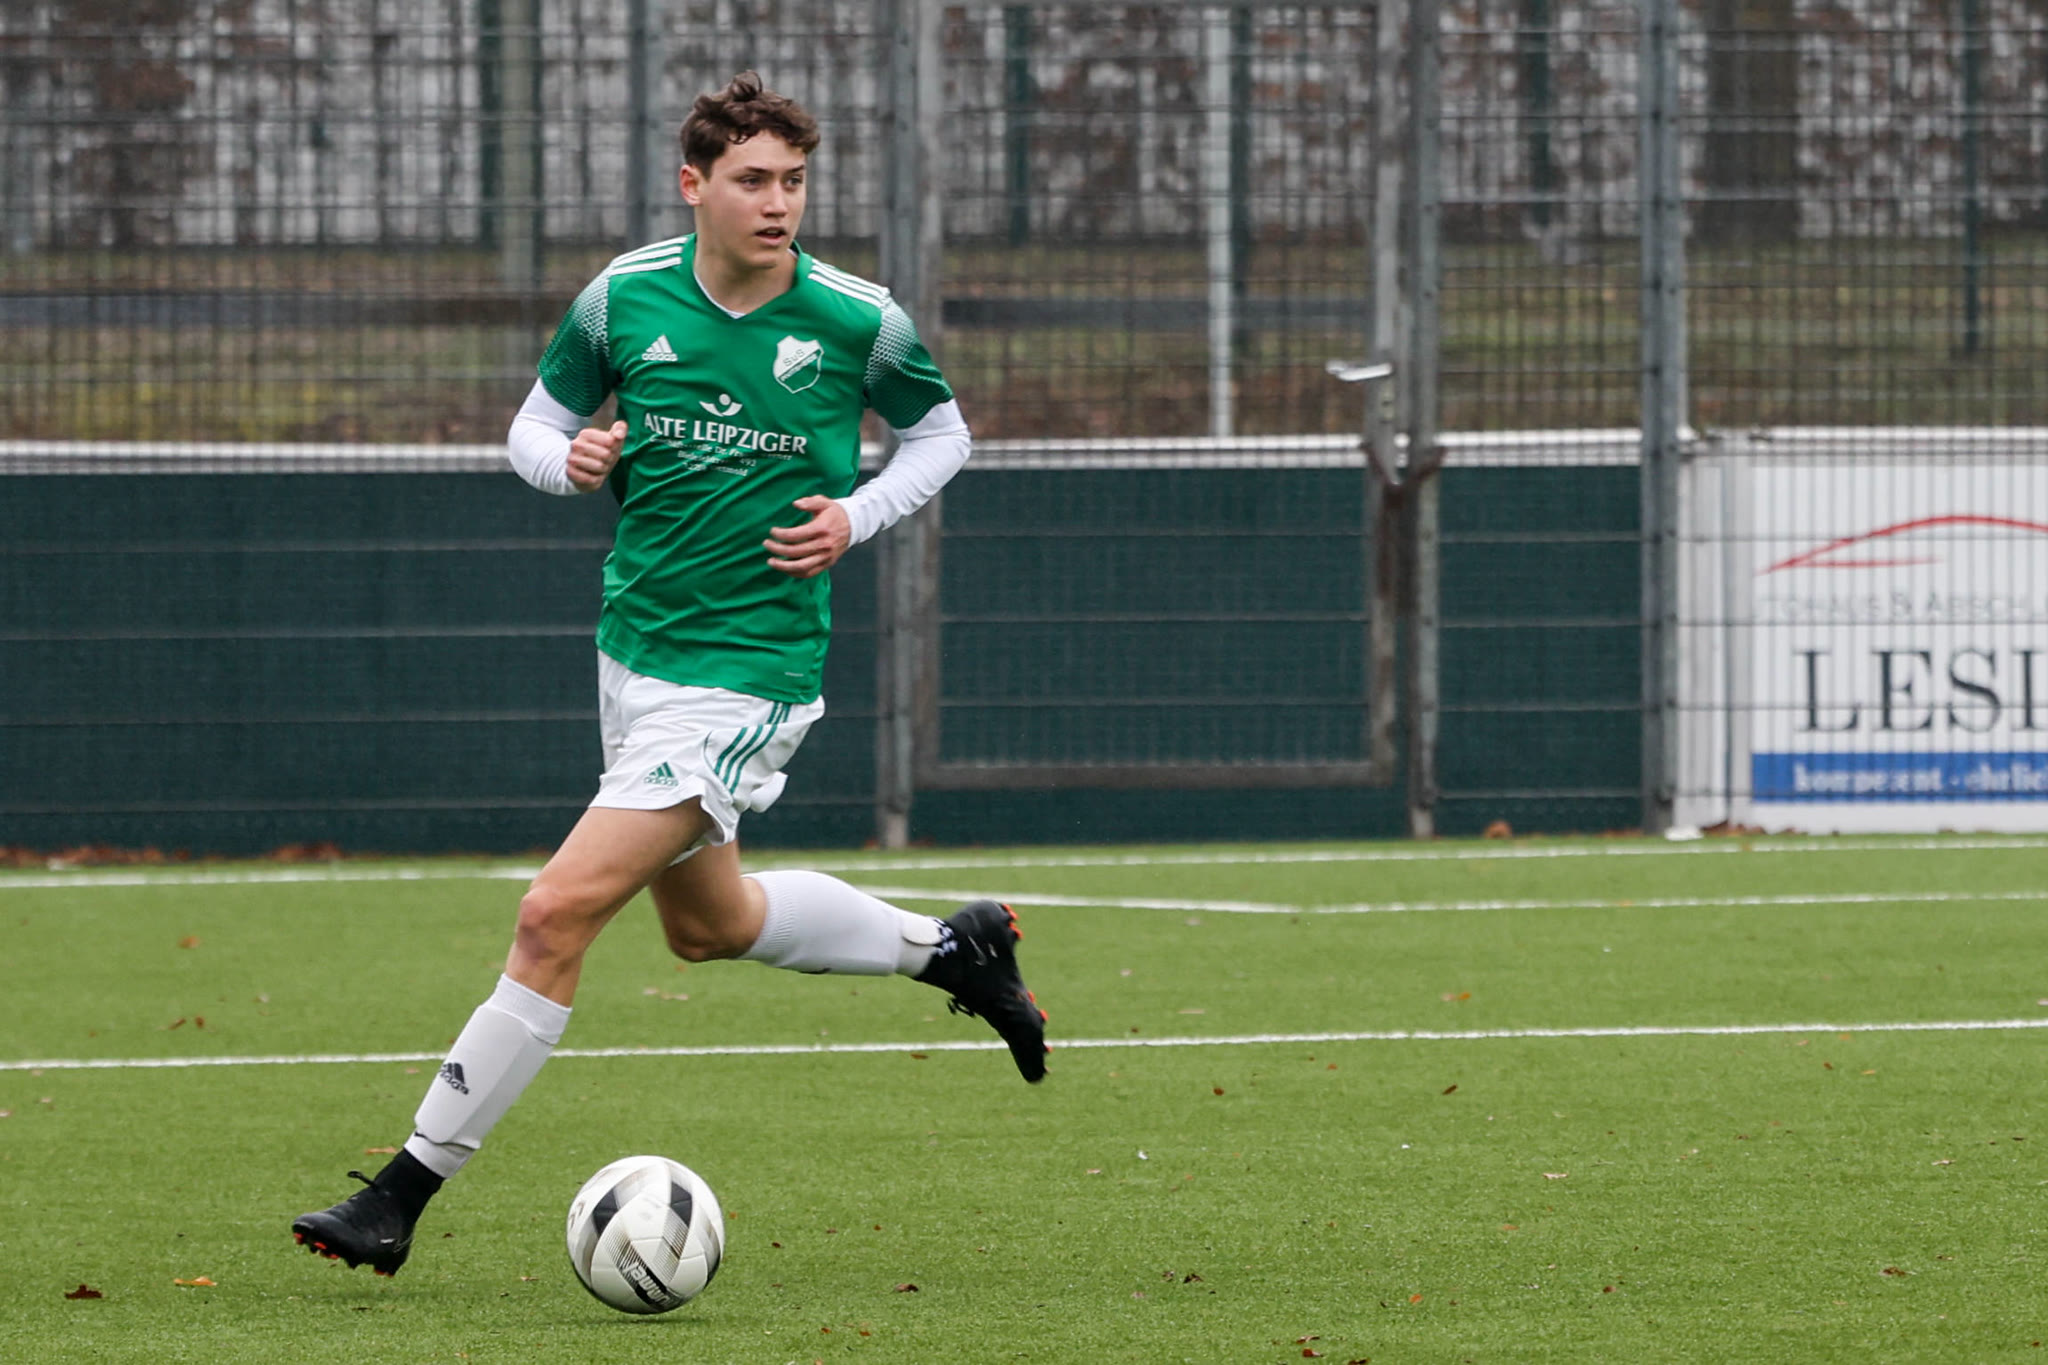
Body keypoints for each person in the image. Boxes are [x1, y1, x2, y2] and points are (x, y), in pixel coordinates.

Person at [292, 72, 1047, 1278]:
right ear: (693, 185)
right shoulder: (623, 297)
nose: (778, 203)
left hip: (747, 672)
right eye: (752, 180)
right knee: (710, 927)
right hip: (634, 651)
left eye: (793, 181)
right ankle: (947, 950)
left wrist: (856, 514)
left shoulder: (856, 318)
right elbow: (532, 428)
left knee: (553, 915)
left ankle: (399, 1193)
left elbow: (942, 435)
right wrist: (570, 462)